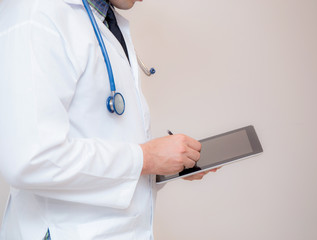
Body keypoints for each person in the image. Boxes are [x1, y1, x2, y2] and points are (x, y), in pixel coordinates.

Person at [0, 0, 215, 239]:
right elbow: (30, 159)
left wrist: (165, 164)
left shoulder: (102, 20)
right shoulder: (36, 12)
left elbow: (102, 134)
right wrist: (146, 159)